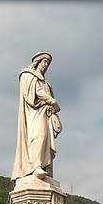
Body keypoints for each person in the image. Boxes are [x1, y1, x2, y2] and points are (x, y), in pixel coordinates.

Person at [12, 51, 61, 181]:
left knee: (45, 139)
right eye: (44, 61)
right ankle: (36, 166)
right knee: (38, 136)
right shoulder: (29, 75)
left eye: (48, 63)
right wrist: (51, 101)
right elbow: (35, 93)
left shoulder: (46, 83)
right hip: (34, 112)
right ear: (38, 61)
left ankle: (43, 167)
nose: (45, 65)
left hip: (45, 113)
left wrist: (51, 105)